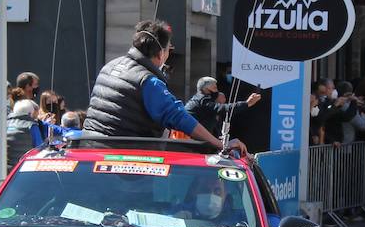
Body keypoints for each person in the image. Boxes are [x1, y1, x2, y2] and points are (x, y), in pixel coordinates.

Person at [85, 20, 244, 153]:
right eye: (169, 49)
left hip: (89, 149)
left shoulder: (110, 66)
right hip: (124, 160)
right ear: (161, 53)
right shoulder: (147, 80)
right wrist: (221, 144)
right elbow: (178, 117)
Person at [185, 77, 262, 135]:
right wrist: (246, 103)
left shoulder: (200, 99)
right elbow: (222, 108)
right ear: (206, 89)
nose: (216, 91)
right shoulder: (203, 100)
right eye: (214, 88)